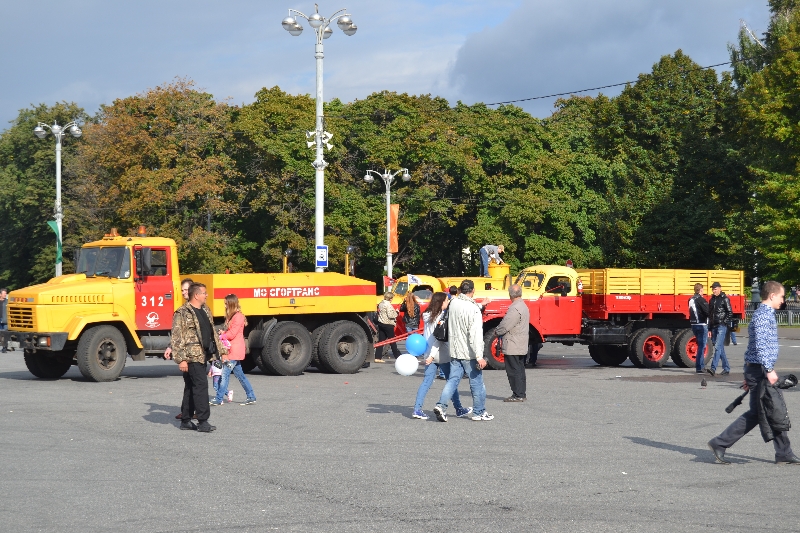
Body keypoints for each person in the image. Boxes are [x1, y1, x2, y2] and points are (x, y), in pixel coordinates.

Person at [708, 281, 800, 465]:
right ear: (772, 295)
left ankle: (784, 452)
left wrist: (749, 373)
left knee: (773, 409)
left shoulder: (764, 315)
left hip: (756, 369)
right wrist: (768, 370)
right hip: (760, 370)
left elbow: (753, 347)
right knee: (764, 411)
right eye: (781, 296)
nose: (783, 300)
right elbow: (761, 346)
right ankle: (720, 443)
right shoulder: (764, 316)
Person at [433, 279, 494, 422]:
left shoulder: (453, 303)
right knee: (477, 382)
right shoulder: (473, 310)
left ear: (460, 290)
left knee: (452, 380)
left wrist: (480, 305)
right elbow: (475, 335)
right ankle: (479, 412)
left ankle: (441, 405)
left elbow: (463, 308)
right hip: (469, 352)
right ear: (473, 291)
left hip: (455, 349)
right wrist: (479, 355)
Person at [171, 282, 225, 432]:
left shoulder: (205, 310)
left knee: (191, 387)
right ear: (196, 295)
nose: (206, 295)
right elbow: (176, 337)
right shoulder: (182, 312)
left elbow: (212, 332)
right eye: (204, 293)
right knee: (201, 386)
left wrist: (221, 351)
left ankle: (186, 420)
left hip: (203, 355)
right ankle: (203, 421)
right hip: (191, 356)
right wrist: (181, 359)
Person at [412, 292, 473, 420]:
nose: (448, 302)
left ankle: (417, 409)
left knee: (426, 382)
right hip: (441, 354)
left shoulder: (427, 315)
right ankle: (458, 408)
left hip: (428, 351)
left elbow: (427, 336)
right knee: (452, 382)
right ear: (441, 303)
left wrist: (428, 355)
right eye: (446, 300)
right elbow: (438, 339)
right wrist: (432, 356)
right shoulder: (442, 317)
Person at [211, 294, 257, 406]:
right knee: (240, 376)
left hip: (234, 351)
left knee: (224, 375)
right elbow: (230, 333)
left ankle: (219, 398)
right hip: (232, 350)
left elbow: (232, 334)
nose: (225, 306)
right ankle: (251, 396)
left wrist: (223, 335)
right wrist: (224, 333)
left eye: (226, 304)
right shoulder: (232, 316)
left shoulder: (238, 317)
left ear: (231, 304)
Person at [494, 284, 530, 402]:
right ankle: (521, 393)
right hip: (521, 342)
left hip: (513, 344)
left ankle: (517, 394)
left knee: (513, 370)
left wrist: (496, 332)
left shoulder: (515, 308)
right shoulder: (523, 306)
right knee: (519, 369)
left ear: (510, 294)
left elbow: (505, 325)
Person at [166, 278, 194, 420]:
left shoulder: (197, 309)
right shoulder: (183, 310)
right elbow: (179, 332)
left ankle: (190, 412)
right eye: (182, 290)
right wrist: (171, 347)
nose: (183, 292)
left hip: (194, 354)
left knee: (193, 384)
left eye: (185, 290)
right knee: (189, 383)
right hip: (186, 352)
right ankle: (187, 411)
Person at [707, 282, 732, 377]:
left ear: (720, 289)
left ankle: (713, 368)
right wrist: (709, 328)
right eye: (713, 289)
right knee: (720, 347)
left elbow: (730, 312)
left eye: (715, 288)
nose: (714, 290)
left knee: (717, 347)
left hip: (721, 326)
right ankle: (726, 368)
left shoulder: (724, 299)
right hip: (714, 326)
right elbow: (710, 315)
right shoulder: (712, 300)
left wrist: (724, 322)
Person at [689, 283, 710, 374]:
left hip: (694, 324)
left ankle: (699, 367)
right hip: (701, 324)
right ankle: (700, 367)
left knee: (699, 346)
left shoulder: (690, 299)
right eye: (703, 290)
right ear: (701, 290)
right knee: (702, 346)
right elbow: (707, 311)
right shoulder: (701, 300)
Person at [375, 292, 401, 362]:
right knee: (392, 341)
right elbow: (391, 315)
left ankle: (377, 357)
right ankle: (397, 356)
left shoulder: (381, 303)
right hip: (388, 324)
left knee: (381, 341)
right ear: (390, 298)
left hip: (381, 323)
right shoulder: (388, 305)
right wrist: (397, 312)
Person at [0, 288, 8, 353]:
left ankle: (4, 347)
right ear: (0, 294)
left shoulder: (7, 302)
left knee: (5, 334)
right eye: (4, 293)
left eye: (6, 293)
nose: (5, 294)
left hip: (5, 320)